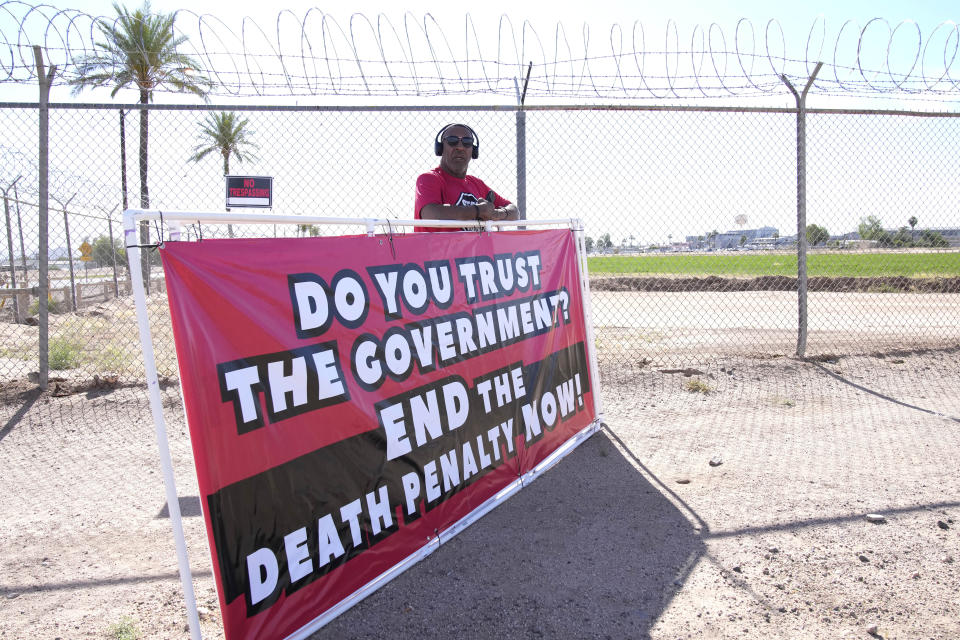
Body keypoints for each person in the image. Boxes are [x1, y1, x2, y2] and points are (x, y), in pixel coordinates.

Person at [414, 123, 520, 232]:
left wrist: (498, 214)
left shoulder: (477, 184)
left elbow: (514, 211)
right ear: (440, 148)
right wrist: (477, 211)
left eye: (467, 142)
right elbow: (430, 214)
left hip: (476, 249)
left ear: (473, 151)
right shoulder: (429, 179)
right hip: (437, 249)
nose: (460, 147)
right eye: (452, 141)